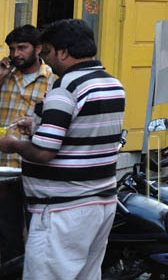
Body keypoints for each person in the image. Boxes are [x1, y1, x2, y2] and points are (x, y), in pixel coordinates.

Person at [0, 19, 126, 280]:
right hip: (101, 202)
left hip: (62, 209)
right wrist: (37, 127)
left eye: (47, 52)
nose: (46, 59)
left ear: (63, 52)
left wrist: (12, 145)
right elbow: (82, 133)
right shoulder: (112, 84)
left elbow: (44, 152)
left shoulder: (64, 87)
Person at [0, 25, 55, 258]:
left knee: (37, 229)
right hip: (3, 167)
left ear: (38, 48)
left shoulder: (53, 79)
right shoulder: (5, 75)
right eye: (12, 49)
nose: (15, 54)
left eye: (22, 48)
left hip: (35, 164)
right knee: (5, 229)